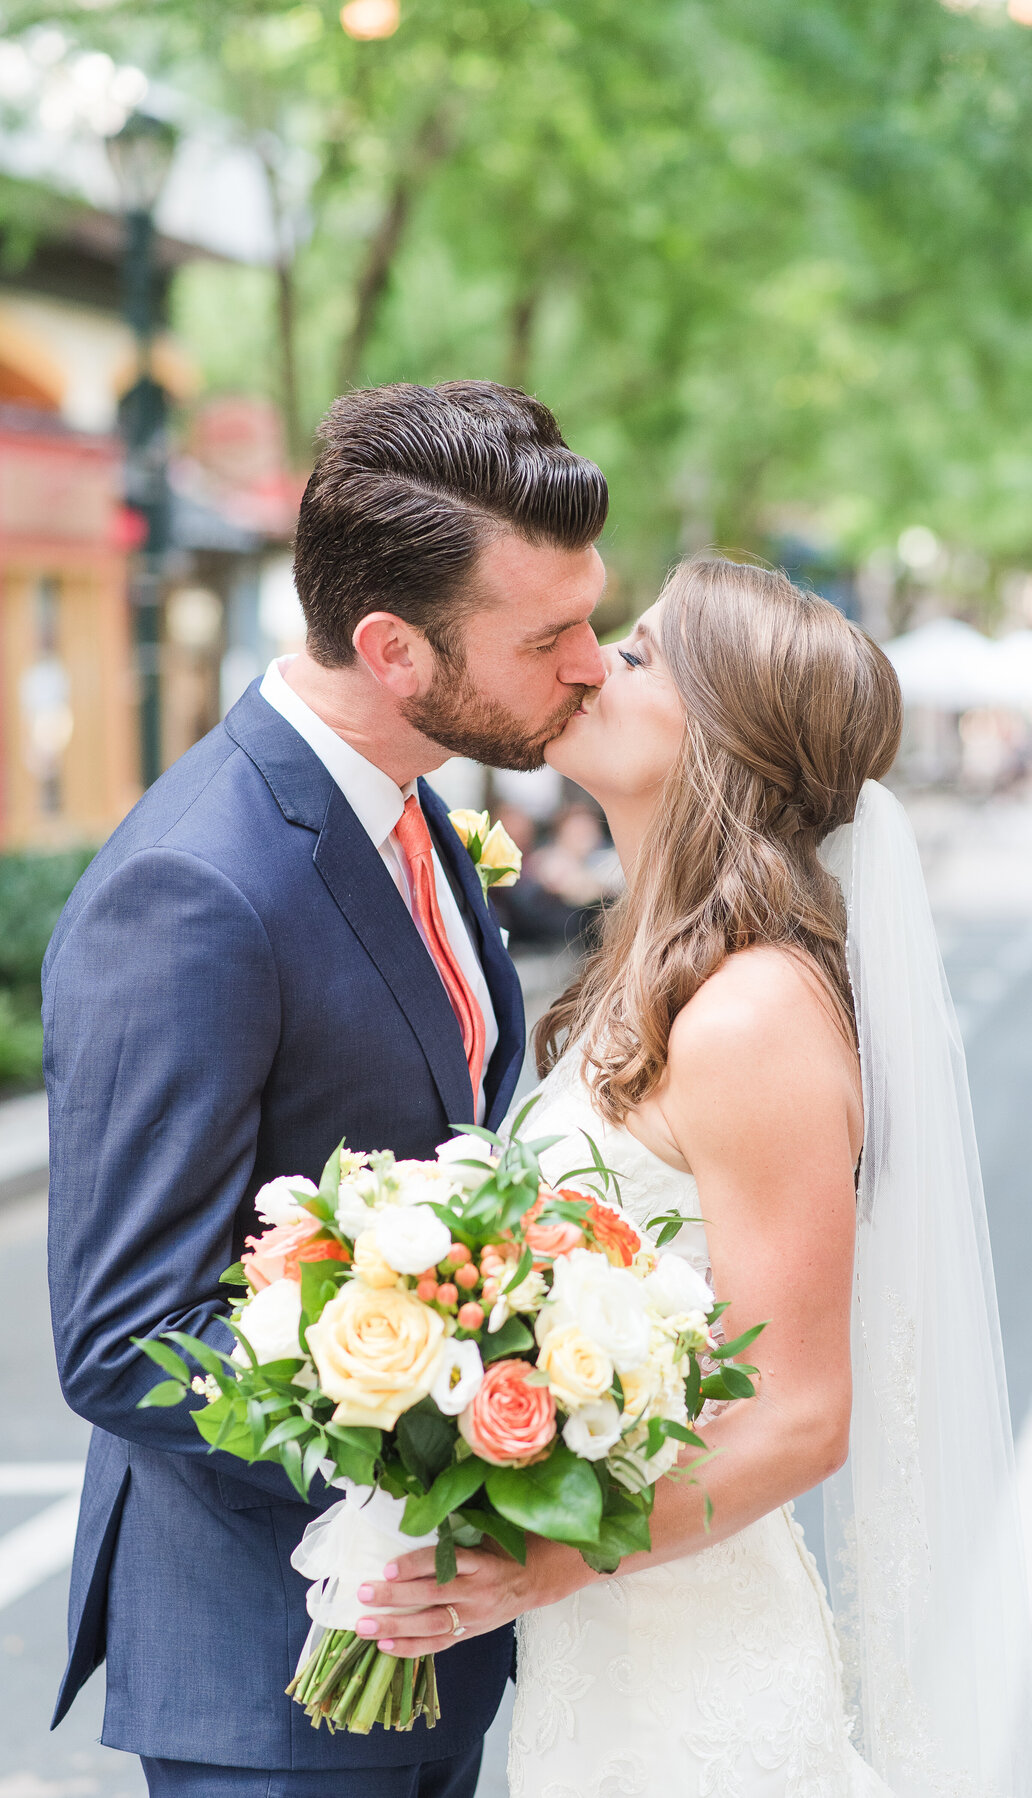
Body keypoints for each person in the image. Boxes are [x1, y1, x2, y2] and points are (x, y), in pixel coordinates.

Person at [360, 558, 1032, 1797]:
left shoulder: (751, 1012)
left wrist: (541, 1565)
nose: (586, 665)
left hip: (696, 1683)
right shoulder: (655, 979)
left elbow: (798, 1413)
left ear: (724, 734)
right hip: (605, 1663)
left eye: (638, 654)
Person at [42, 380, 608, 1798]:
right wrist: (443, 1444)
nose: (593, 664)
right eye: (549, 636)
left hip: (434, 1648)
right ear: (391, 647)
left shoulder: (415, 806)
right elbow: (127, 1336)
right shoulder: (194, 885)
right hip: (277, 1671)